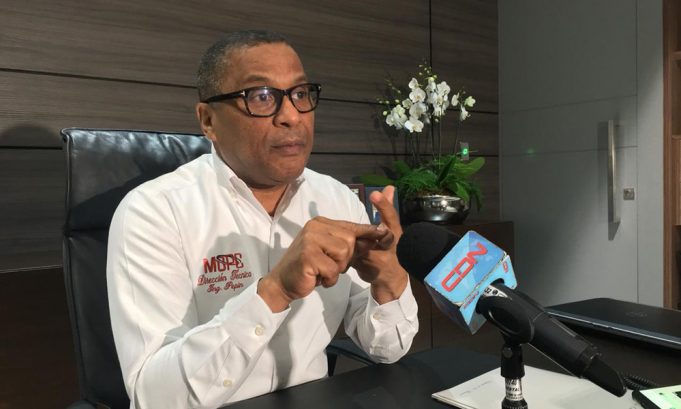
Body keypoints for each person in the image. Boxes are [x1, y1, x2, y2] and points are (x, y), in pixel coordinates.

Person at [106, 30, 418, 409]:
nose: (291, 116)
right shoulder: (154, 212)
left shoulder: (336, 199)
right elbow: (154, 398)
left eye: (300, 94)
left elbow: (386, 348)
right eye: (261, 97)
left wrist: (388, 281)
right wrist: (274, 292)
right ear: (208, 121)